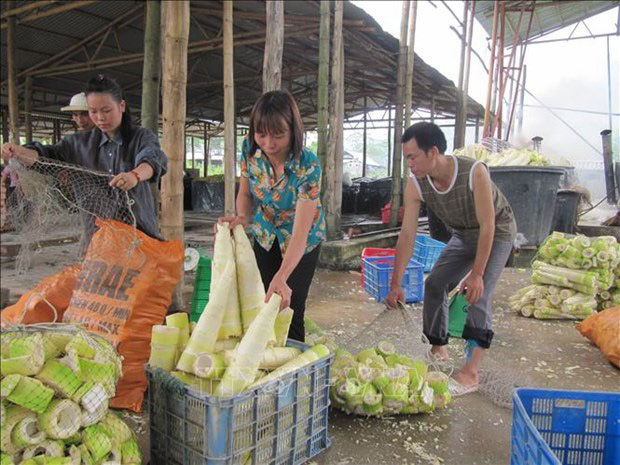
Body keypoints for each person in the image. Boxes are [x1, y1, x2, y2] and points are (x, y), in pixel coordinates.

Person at [385, 122, 516, 395]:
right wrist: (396, 282)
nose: (409, 164)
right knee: (434, 283)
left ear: (433, 152)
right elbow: (407, 235)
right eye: (406, 158)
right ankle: (438, 347)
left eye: (412, 157)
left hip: (497, 231)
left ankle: (471, 372)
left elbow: (488, 225)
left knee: (476, 294)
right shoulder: (415, 185)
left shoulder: (473, 173)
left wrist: (477, 273)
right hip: (464, 234)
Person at [1, 74, 167, 241]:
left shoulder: (140, 136)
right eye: (93, 111)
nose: (100, 118)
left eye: (106, 110)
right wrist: (19, 152)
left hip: (139, 233)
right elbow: (44, 157)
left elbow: (152, 160)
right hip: (97, 238)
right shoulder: (76, 144)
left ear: (121, 106)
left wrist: (135, 175)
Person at [219, 90, 326, 342]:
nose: (268, 143)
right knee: (261, 300)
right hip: (266, 234)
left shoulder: (307, 166)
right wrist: (241, 217)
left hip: (302, 240)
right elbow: (245, 194)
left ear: (293, 130)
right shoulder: (249, 151)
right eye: (261, 134)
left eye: (278, 135)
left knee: (289, 306)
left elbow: (300, 234)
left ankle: (295, 370)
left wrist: (283, 275)